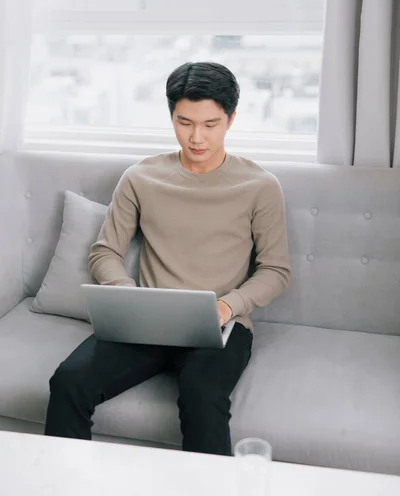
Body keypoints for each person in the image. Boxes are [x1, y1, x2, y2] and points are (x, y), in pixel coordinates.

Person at [44, 61, 291, 456]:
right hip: (148, 321)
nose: (196, 137)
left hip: (221, 326)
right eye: (184, 122)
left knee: (202, 396)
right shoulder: (141, 177)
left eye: (210, 125)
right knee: (69, 381)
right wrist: (127, 295)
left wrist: (230, 305)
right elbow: (105, 251)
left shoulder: (260, 186)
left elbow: (276, 270)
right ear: (171, 116)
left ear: (231, 119)